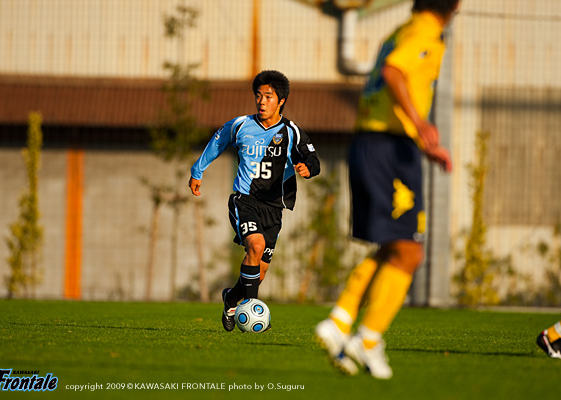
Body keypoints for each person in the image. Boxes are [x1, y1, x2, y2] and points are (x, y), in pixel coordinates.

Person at [315, 0, 458, 379]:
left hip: (373, 144)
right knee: (410, 250)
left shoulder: (399, 30)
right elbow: (395, 71)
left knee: (395, 247)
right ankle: (366, 337)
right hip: (389, 149)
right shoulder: (425, 33)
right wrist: (421, 124)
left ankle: (343, 322)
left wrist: (419, 139)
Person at [189, 70, 320, 332]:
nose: (261, 101)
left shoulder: (291, 131)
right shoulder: (239, 125)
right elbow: (216, 144)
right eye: (258, 96)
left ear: (281, 100)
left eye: (268, 96)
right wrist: (197, 171)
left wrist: (308, 168)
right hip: (244, 200)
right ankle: (255, 309)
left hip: (274, 209)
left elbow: (313, 159)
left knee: (258, 272)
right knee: (255, 245)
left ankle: (231, 298)